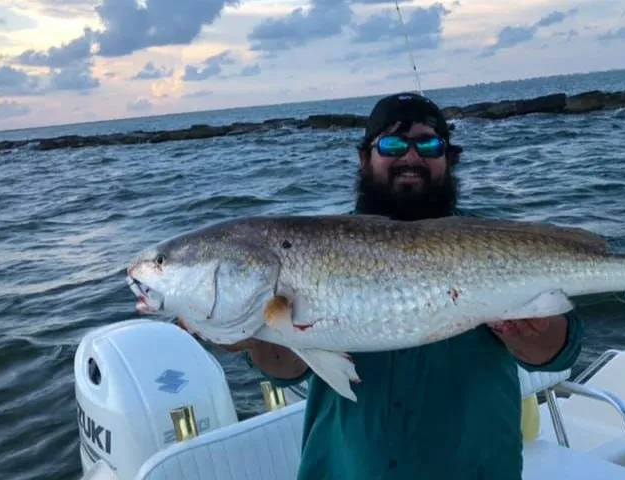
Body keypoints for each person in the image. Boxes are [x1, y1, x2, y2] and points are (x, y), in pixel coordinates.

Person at [182, 92, 586, 479]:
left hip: (475, 464)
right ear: (365, 157)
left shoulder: (497, 242)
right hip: (349, 467)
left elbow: (556, 354)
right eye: (393, 144)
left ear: (450, 158)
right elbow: (287, 369)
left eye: (428, 147)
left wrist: (531, 331)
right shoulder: (309, 250)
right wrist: (254, 337)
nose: (410, 158)